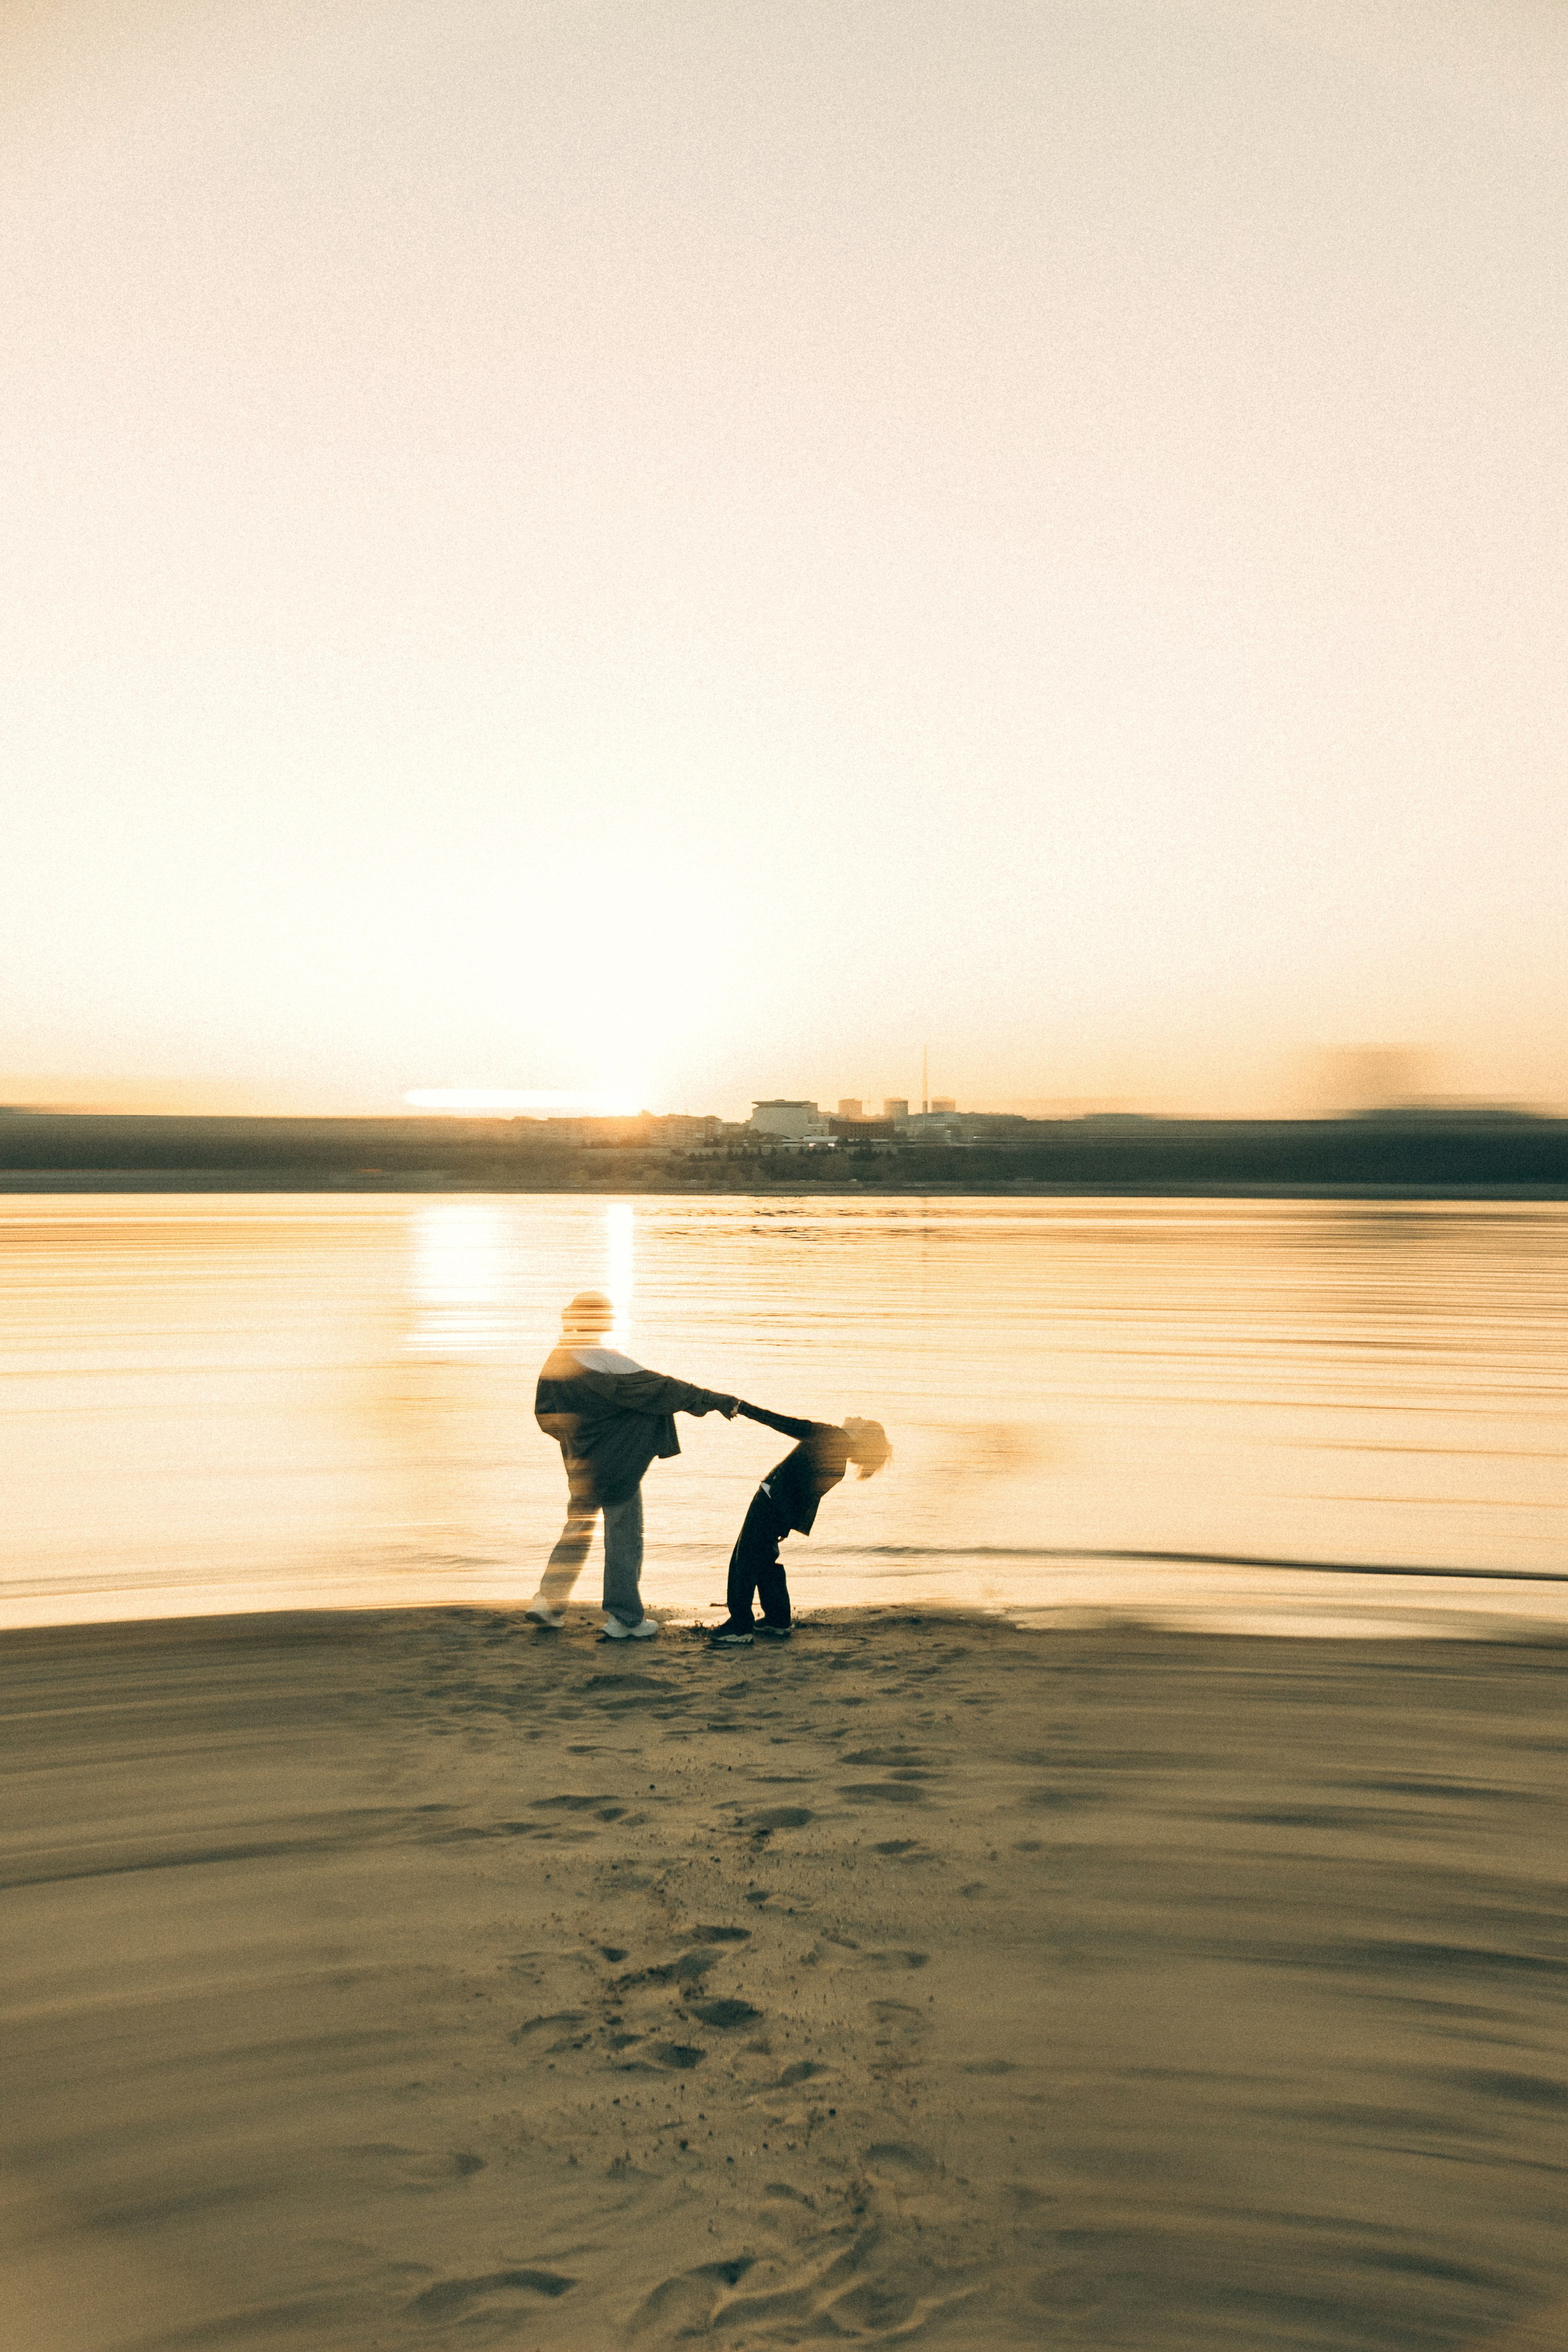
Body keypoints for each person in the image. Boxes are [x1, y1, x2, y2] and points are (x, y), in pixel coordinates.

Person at [527, 1291, 745, 1640]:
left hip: (581, 1461)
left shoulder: (557, 1360)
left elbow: (545, 1415)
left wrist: (581, 1438)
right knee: (624, 1537)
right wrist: (716, 1401)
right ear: (597, 1321)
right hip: (617, 1464)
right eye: (607, 1315)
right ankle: (625, 1619)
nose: (611, 1320)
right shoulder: (604, 1360)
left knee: (577, 1531)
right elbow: (662, 1389)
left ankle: (547, 1602)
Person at [708, 1406, 892, 1646]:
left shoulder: (832, 1437)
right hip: (780, 1512)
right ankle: (778, 1620)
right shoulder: (839, 1465)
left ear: (859, 1434)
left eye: (863, 1420)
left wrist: (744, 1409)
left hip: (770, 1505)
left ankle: (740, 1626)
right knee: (764, 1562)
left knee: (745, 1562)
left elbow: (787, 1424)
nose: (857, 1416)